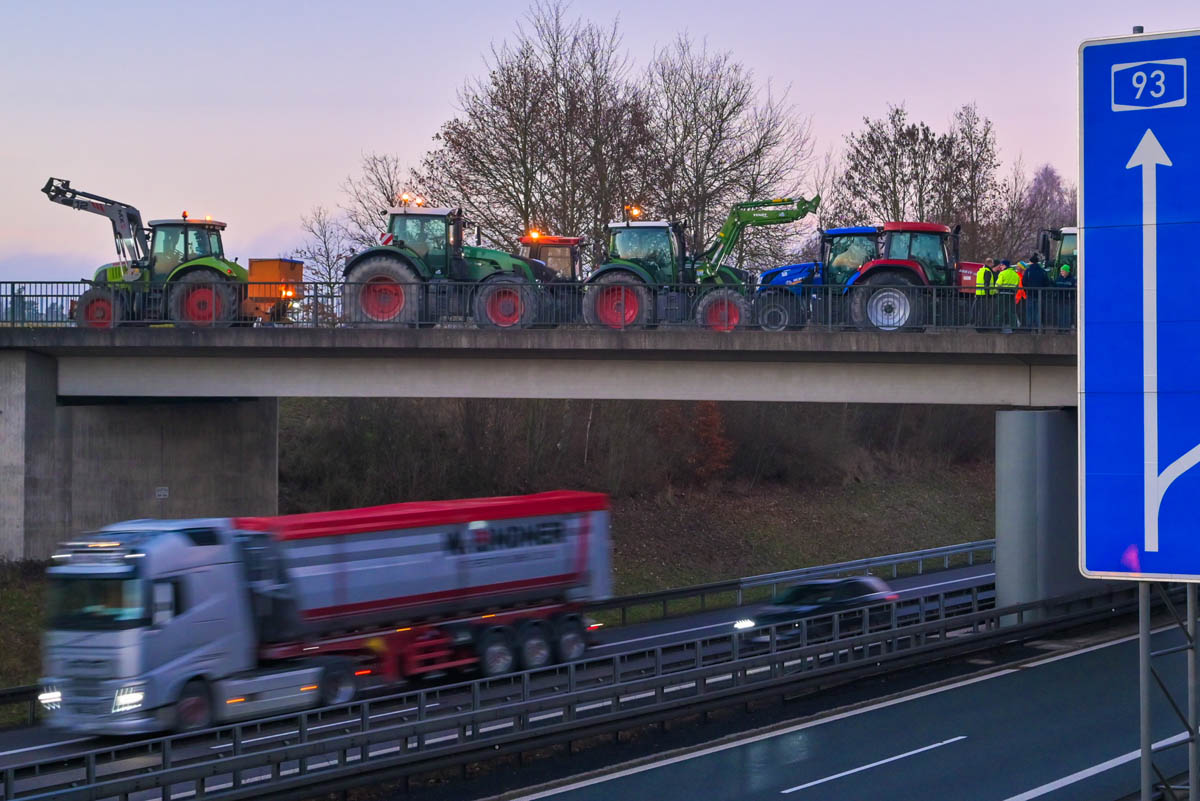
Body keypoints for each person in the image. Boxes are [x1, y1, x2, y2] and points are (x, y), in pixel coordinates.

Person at [1022, 254, 1050, 331]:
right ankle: (1038, 328)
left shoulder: (1028, 271)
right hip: (1039, 294)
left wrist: (1027, 290)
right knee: (1038, 311)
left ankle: (1029, 328)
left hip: (1030, 293)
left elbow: (1024, 282)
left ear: (1031, 262)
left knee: (1029, 312)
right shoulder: (1042, 271)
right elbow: (1046, 282)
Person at [995, 259, 1021, 332]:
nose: (1001, 267)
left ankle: (998, 327)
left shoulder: (1002, 273)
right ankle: (1014, 327)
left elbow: (997, 285)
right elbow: (1017, 285)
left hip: (1002, 294)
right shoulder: (1015, 274)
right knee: (1012, 311)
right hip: (1011, 295)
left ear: (1005, 265)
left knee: (1000, 311)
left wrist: (996, 291)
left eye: (1002, 265)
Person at [973, 258, 996, 327]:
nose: (993, 264)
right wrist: (988, 294)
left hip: (979, 294)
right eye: (992, 263)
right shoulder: (988, 271)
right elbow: (986, 284)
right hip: (985, 295)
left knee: (979, 311)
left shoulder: (980, 271)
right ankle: (982, 326)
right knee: (984, 312)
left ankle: (978, 325)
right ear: (989, 263)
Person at [1055, 265, 1076, 330]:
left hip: (1068, 299)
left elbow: (1073, 287)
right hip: (1060, 299)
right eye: (1061, 271)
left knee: (1067, 313)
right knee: (1060, 313)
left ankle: (1066, 328)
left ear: (1067, 271)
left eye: (1063, 271)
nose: (1061, 272)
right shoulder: (1058, 278)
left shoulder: (1072, 279)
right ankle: (1060, 328)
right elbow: (1055, 285)